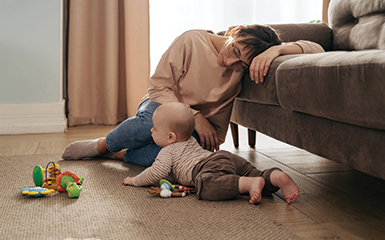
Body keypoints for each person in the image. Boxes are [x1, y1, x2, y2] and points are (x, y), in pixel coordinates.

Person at [62, 25, 324, 167]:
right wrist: (193, 114)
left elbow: (318, 48)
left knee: (173, 158)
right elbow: (158, 87)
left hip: (205, 129)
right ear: (235, 32)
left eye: (241, 66)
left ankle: (119, 155)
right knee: (147, 126)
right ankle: (102, 146)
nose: (230, 63)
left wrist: (274, 52)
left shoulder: (249, 61)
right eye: (234, 51)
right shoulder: (192, 40)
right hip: (163, 105)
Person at [122, 102, 299, 204]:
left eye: (154, 128)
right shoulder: (190, 139)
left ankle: (247, 184)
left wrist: (135, 180)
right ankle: (275, 177)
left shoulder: (167, 151)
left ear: (170, 137)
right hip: (223, 157)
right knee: (252, 171)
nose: (151, 131)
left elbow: (156, 172)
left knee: (205, 185)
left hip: (206, 167)